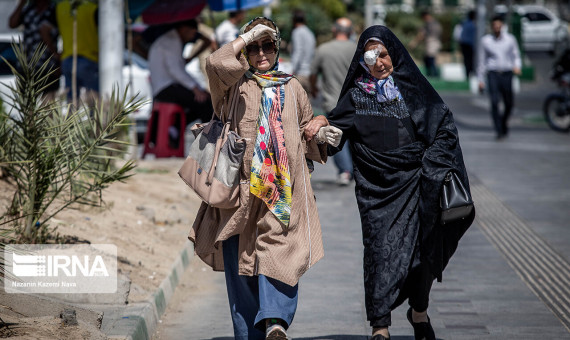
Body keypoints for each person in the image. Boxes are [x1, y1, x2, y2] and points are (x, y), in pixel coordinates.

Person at [305, 25, 475, 340]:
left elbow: (443, 127)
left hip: (417, 187)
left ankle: (419, 311)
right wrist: (320, 126)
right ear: (361, 60)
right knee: (379, 254)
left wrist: (432, 166)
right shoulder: (356, 94)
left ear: (393, 53)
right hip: (375, 192)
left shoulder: (415, 89)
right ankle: (380, 325)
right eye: (371, 57)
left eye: (383, 54)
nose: (379, 62)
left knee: (421, 256)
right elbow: (335, 131)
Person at [189, 17, 341, 340]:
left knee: (280, 254)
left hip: (281, 192)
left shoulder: (293, 86)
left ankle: (275, 322)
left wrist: (321, 128)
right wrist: (245, 39)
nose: (261, 53)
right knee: (241, 263)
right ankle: (249, 335)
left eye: (267, 45)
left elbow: (305, 134)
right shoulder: (232, 86)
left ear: (277, 48)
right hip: (238, 190)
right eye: (254, 47)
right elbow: (215, 62)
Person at [147, 18, 213, 145]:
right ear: (183, 29)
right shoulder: (171, 41)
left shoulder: (171, 40)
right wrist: (196, 89)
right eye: (192, 33)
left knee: (202, 100)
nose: (192, 37)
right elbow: (176, 71)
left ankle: (175, 128)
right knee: (205, 102)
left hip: (167, 87)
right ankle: (209, 140)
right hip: (165, 88)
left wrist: (198, 88)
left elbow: (178, 71)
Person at [310, 17, 357, 186]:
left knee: (336, 137)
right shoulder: (356, 49)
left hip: (333, 102)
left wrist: (314, 88)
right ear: (350, 31)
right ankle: (353, 170)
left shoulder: (323, 49)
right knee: (354, 137)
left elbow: (313, 74)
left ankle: (345, 171)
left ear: (334, 30)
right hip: (355, 102)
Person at [477, 15, 521, 140]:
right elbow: (482, 61)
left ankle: (503, 122)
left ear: (502, 26)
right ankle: (499, 130)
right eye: (494, 25)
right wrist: (480, 80)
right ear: (491, 27)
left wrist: (517, 66)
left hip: (507, 73)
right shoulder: (486, 41)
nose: (497, 27)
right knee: (495, 102)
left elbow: (516, 55)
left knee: (509, 103)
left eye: (499, 25)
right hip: (493, 73)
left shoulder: (510, 39)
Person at [9, 0, 60, 99]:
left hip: (48, 66)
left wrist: (57, 57)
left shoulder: (54, 10)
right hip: (27, 66)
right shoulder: (28, 9)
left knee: (48, 106)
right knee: (28, 107)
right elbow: (12, 23)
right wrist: (21, 3)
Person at [56, 0, 99, 104]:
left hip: (67, 59)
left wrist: (55, 53)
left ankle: (70, 119)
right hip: (89, 57)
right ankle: (94, 120)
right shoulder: (92, 8)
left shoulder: (60, 7)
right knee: (93, 99)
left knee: (71, 101)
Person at [408, 10, 442, 77]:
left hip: (432, 42)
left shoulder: (429, 24)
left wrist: (414, 43)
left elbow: (422, 35)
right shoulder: (436, 23)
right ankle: (433, 75)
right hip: (435, 42)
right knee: (428, 59)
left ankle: (434, 75)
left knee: (430, 59)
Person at [290, 9, 316, 92]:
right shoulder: (310, 33)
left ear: (293, 20)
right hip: (309, 73)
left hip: (300, 73)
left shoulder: (297, 32)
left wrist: (292, 70)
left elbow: (298, 51)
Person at [459, 10, 477, 79]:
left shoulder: (465, 23)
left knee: (466, 60)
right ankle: (470, 74)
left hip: (464, 44)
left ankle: (468, 74)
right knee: (471, 60)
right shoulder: (473, 25)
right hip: (470, 45)